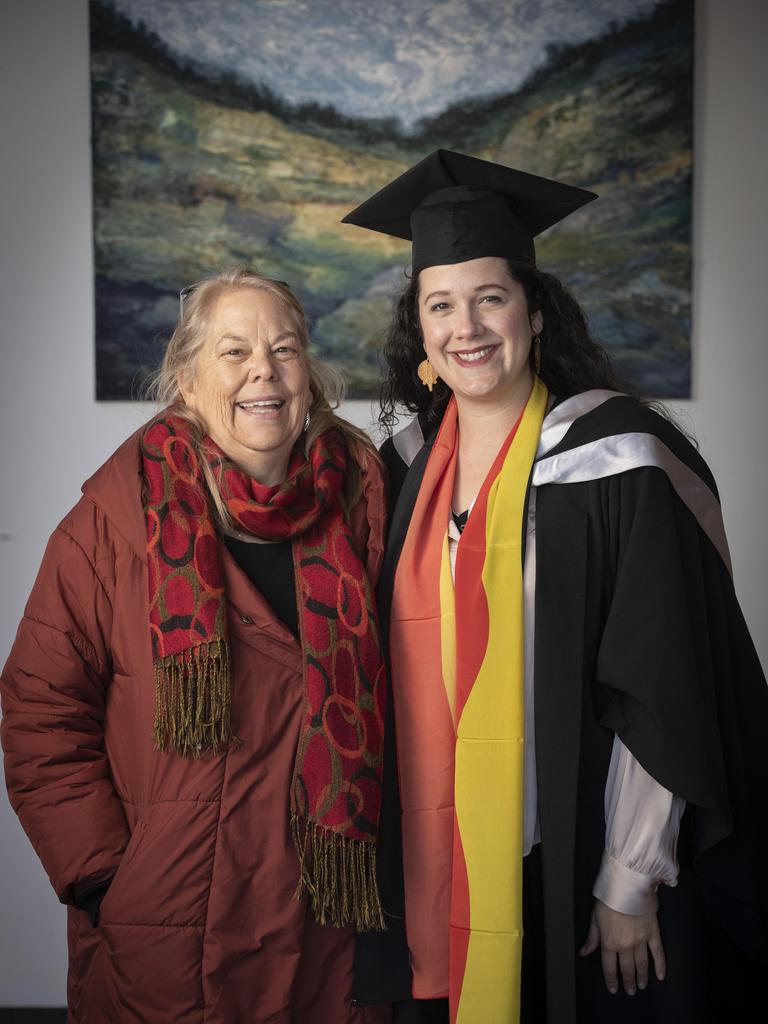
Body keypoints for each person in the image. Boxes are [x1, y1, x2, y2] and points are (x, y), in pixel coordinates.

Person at [342, 150, 768, 1023]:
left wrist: (630, 880)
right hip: (440, 852)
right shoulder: (404, 472)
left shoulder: (618, 459)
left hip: (576, 853)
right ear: (419, 332)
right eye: (440, 304)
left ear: (535, 310)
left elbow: (662, 684)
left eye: (491, 297)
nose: (468, 326)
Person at [1, 268, 392, 1024]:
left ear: (308, 373)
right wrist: (103, 880)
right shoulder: (115, 519)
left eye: (283, 350)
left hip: (327, 915)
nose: (263, 374)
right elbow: (41, 705)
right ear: (185, 377)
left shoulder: (365, 499)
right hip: (170, 923)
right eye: (234, 351)